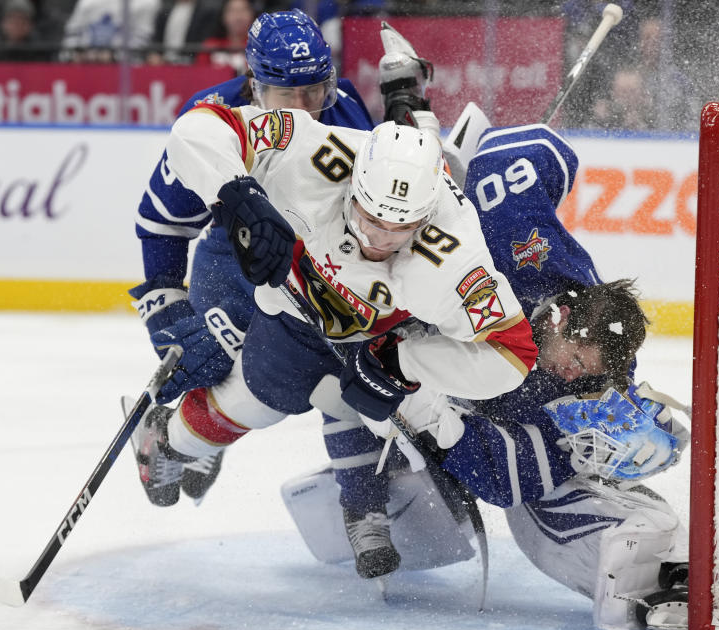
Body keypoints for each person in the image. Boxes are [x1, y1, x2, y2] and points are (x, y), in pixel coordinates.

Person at [284, 117, 690, 630]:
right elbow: (535, 145)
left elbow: (505, 478)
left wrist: (441, 423)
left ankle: (657, 566)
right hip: (394, 327)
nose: (572, 377)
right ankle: (362, 502)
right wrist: (459, 162)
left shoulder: (593, 380)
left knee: (544, 505)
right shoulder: (530, 251)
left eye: (589, 374)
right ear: (563, 318)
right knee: (347, 385)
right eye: (576, 361)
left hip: (464, 420)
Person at [127, 101, 539, 572]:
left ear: (426, 217)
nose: (378, 239)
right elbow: (199, 127)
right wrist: (237, 194)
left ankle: (366, 508)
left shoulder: (456, 256)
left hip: (382, 340)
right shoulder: (318, 152)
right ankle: (168, 438)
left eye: (399, 227)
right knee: (253, 405)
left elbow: (511, 355)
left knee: (369, 408)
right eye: (369, 216)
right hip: (289, 320)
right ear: (353, 185)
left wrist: (404, 362)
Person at [127, 8, 376, 504]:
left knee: (346, 356)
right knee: (215, 361)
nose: (306, 110)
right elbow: (162, 222)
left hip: (317, 262)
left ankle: (364, 502)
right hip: (233, 256)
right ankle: (177, 427)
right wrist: (166, 307)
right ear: (254, 84)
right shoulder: (213, 118)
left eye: (316, 91)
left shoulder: (347, 110)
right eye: (289, 95)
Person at [194, 0, 256, 76]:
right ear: (223, 16)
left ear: (252, 15)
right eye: (232, 11)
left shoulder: (259, 48)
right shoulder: (210, 46)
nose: (238, 17)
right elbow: (200, 76)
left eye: (243, 10)